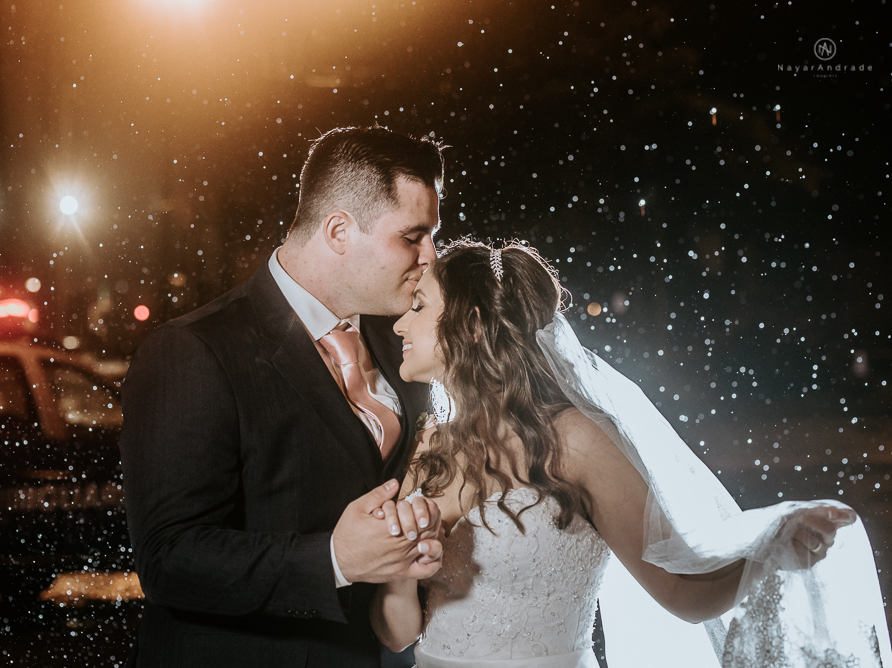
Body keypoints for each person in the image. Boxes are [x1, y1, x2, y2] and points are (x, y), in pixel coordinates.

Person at [370, 239, 891, 668]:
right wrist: (396, 576)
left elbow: (681, 595)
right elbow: (397, 635)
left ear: (474, 325)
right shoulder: (429, 446)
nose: (399, 324)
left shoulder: (575, 441)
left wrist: (767, 550)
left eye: (419, 307)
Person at [118, 126, 450, 667]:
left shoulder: (404, 347)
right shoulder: (192, 350)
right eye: (412, 237)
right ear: (339, 230)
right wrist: (333, 560)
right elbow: (169, 559)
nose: (429, 257)